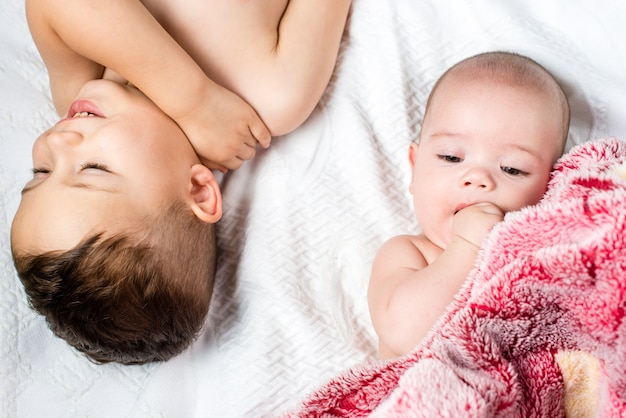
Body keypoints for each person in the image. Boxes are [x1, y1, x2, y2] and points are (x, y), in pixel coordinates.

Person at [10, 0, 351, 365]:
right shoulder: (272, 98)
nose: (58, 141)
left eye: (41, 172)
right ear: (200, 191)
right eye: (93, 169)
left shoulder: (82, 89)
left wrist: (194, 100)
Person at [368, 51, 570, 360]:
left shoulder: (538, 265)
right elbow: (404, 334)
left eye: (513, 169)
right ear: (414, 168)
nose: (477, 178)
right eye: (451, 157)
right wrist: (467, 245)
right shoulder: (408, 254)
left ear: (550, 186)